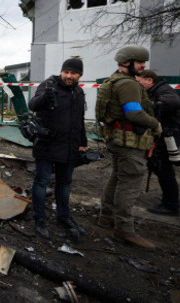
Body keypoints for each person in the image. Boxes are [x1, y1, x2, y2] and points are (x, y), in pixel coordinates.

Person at [95, 46, 162, 249]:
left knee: (118, 176)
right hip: (128, 142)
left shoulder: (113, 80)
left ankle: (106, 217)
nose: (143, 65)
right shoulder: (128, 85)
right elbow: (133, 113)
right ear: (127, 62)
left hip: (117, 139)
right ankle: (124, 229)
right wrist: (155, 124)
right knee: (130, 182)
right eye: (140, 62)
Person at [28, 58, 87, 239]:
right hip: (47, 144)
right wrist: (45, 97)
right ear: (62, 71)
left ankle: (63, 217)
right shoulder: (49, 85)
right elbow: (32, 105)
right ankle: (40, 219)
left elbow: (79, 120)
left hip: (69, 146)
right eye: (66, 72)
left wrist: (83, 143)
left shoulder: (78, 92)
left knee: (64, 184)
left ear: (79, 75)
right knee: (42, 182)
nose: (69, 76)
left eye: (73, 73)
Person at [136, 70, 180, 216]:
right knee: (157, 166)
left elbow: (174, 101)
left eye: (139, 82)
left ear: (149, 81)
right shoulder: (157, 90)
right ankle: (169, 200)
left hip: (168, 136)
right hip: (163, 135)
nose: (138, 86)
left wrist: (155, 107)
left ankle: (171, 206)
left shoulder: (163, 91)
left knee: (164, 169)